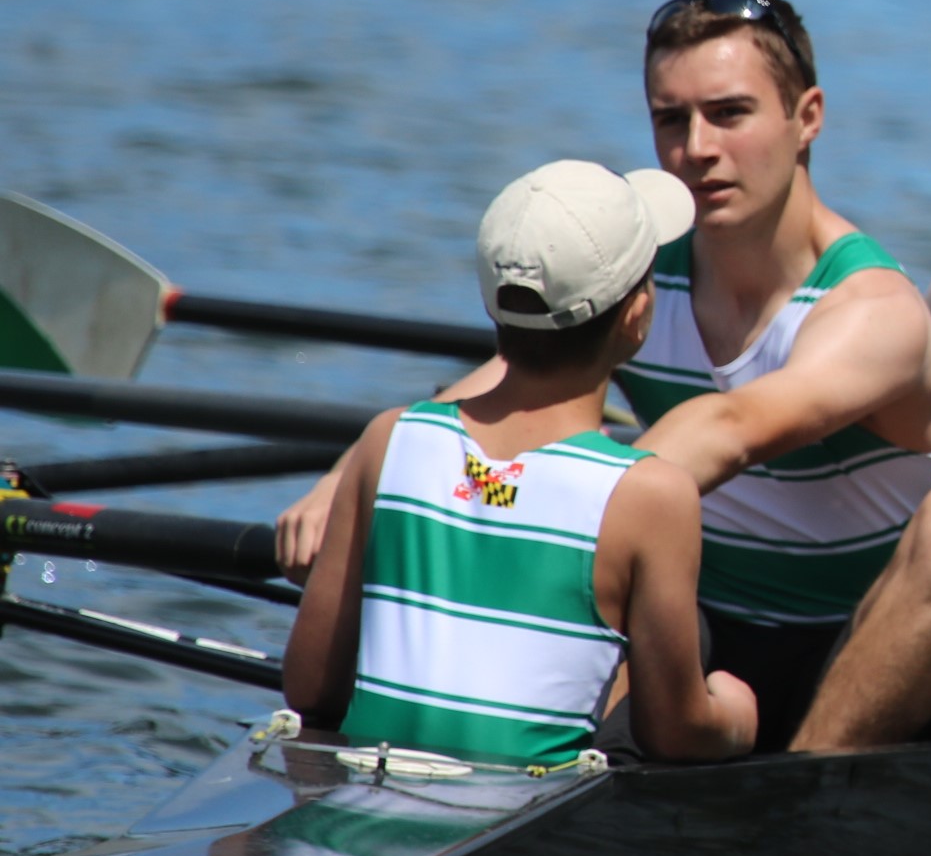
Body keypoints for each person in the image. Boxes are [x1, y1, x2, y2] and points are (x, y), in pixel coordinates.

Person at [281, 0, 931, 753]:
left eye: (729, 114)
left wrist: (521, 503)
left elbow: (730, 426)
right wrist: (357, 482)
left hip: (866, 642)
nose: (696, 148)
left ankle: (809, 791)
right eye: (672, 119)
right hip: (690, 628)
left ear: (807, 118)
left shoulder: (873, 307)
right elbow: (513, 381)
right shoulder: (643, 272)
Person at [284, 160, 756, 764]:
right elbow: (677, 734)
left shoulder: (389, 440)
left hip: (367, 790)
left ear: (494, 304)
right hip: (521, 808)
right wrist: (735, 713)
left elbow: (309, 688)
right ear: (637, 318)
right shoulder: (650, 494)